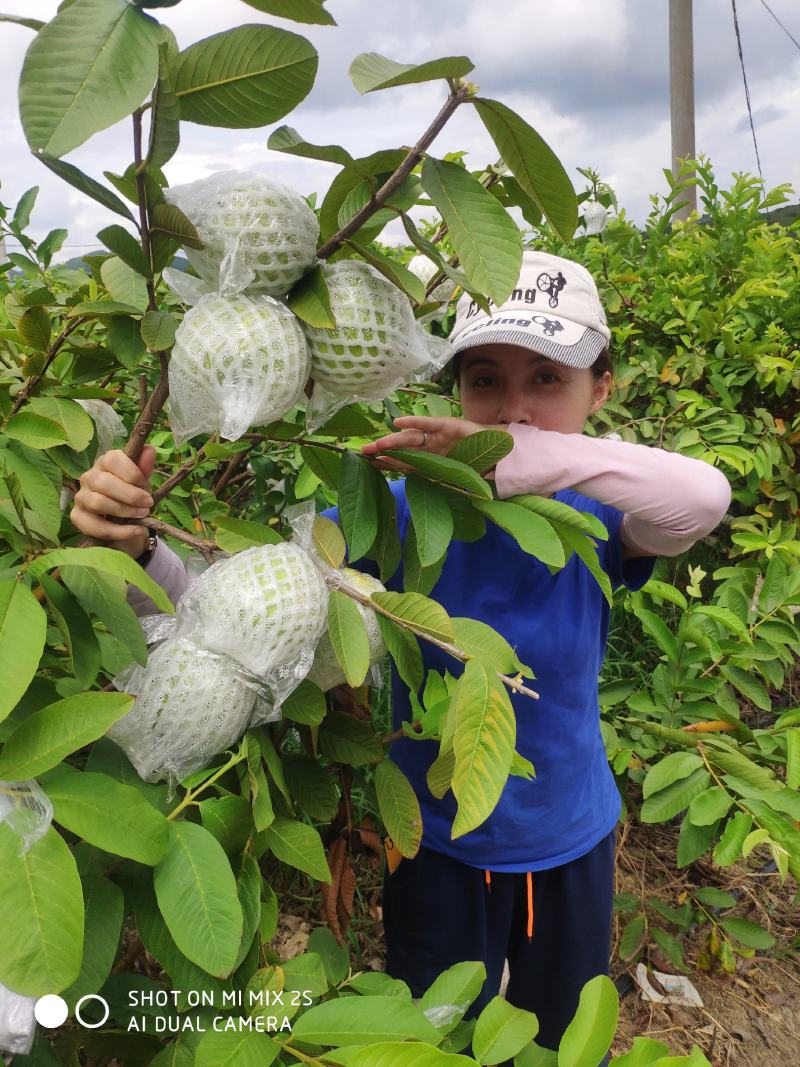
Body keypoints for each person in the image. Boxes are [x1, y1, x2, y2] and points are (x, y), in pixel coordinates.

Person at [70, 250, 732, 1057]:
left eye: (548, 381)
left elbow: (704, 497)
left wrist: (530, 462)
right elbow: (233, 624)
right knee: (436, 1040)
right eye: (485, 380)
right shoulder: (393, 509)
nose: (511, 413)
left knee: (560, 1040)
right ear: (454, 390)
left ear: (603, 388)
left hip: (570, 839)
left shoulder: (598, 506)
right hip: (435, 841)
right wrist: (135, 550)